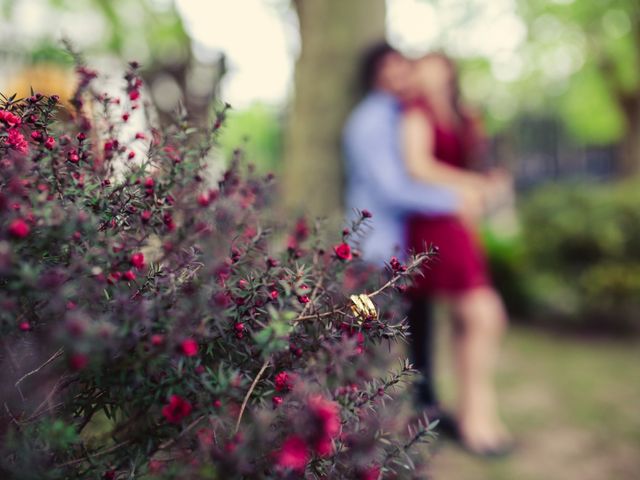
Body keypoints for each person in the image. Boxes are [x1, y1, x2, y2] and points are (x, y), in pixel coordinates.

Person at [343, 43, 477, 431]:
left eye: (406, 70)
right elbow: (392, 189)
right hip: (372, 253)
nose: (402, 79)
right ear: (375, 76)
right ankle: (359, 427)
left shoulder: (399, 115)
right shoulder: (370, 121)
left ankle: (427, 411)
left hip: (401, 251)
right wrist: (454, 198)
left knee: (419, 333)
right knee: (365, 339)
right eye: (392, 72)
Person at [401, 52, 513, 455]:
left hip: (462, 223)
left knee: (471, 322)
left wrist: (485, 182)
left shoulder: (463, 114)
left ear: (449, 70)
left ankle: (477, 415)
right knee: (485, 314)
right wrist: (472, 184)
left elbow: (479, 162)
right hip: (434, 226)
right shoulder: (416, 112)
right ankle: (477, 417)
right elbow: (417, 166)